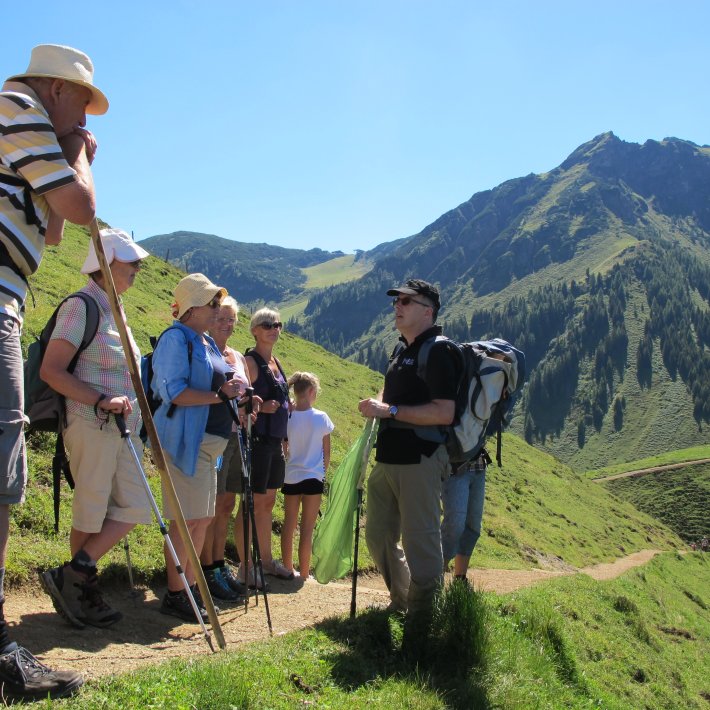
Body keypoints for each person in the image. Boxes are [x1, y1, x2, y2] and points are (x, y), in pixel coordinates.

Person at [0, 43, 108, 701]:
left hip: (9, 291)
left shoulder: (26, 130)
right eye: (83, 103)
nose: (86, 120)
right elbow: (81, 211)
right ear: (55, 89)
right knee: (0, 469)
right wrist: (84, 158)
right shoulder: (15, 106)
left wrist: (70, 156)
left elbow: (54, 236)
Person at [38, 229, 151, 629]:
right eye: (131, 261)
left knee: (138, 505)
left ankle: (73, 572)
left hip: (124, 429)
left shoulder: (116, 310)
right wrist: (100, 400)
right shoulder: (80, 306)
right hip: (92, 423)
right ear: (106, 263)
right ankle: (80, 592)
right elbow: (50, 371)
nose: (139, 267)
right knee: (91, 509)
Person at [358, 279, 458, 615]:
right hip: (387, 458)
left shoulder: (440, 350)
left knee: (421, 543)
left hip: (420, 459)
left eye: (406, 301)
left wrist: (391, 411)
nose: (397, 306)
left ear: (428, 311)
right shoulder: (401, 349)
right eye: (396, 301)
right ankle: (403, 603)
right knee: (378, 537)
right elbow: (394, 397)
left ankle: (425, 622)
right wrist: (380, 402)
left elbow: (444, 412)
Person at [151, 274, 242, 621]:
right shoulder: (176, 339)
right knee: (186, 521)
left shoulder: (202, 341)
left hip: (209, 445)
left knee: (201, 518)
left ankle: (191, 592)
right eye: (212, 303)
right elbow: (173, 391)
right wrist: (219, 395)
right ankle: (178, 594)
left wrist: (234, 393)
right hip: (186, 441)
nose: (218, 309)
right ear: (192, 307)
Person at [199, 296, 255, 601]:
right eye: (221, 318)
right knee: (210, 506)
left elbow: (241, 393)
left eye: (231, 319)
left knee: (226, 505)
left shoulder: (237, 356)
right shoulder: (204, 351)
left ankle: (219, 566)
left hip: (238, 435)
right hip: (213, 434)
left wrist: (250, 403)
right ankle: (207, 569)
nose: (226, 324)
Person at [237, 308, 291, 585]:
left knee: (267, 502)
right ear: (255, 330)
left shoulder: (276, 362)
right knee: (250, 503)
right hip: (256, 441)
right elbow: (242, 398)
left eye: (278, 324)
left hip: (274, 442)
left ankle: (266, 562)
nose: (274, 328)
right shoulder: (250, 361)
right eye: (267, 324)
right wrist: (263, 407)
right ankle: (246, 566)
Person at [280, 372, 334, 580]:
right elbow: (326, 452)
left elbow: (285, 446)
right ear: (311, 392)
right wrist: (322, 472)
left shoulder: (289, 416)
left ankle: (287, 569)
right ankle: (303, 573)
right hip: (313, 477)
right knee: (307, 528)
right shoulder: (321, 418)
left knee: (289, 524)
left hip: (291, 475)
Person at [440, 451, 489, 585]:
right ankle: (436, 577)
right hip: (453, 467)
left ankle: (460, 579)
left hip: (478, 465)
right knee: (454, 524)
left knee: (472, 526)